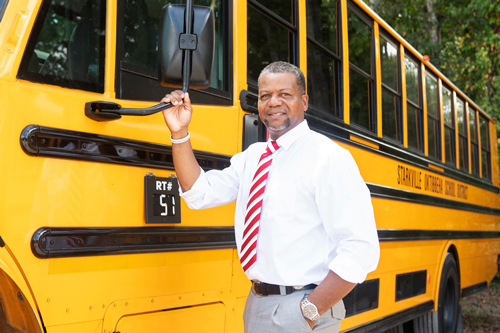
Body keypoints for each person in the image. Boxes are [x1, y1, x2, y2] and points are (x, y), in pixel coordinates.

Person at [161, 61, 380, 332]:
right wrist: (179, 133)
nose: (273, 102)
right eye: (265, 96)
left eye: (285, 94)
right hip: (257, 303)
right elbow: (199, 194)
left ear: (304, 101)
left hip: (302, 304)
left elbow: (361, 248)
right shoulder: (253, 157)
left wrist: (309, 310)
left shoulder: (328, 158)